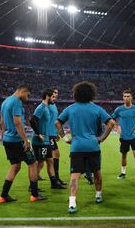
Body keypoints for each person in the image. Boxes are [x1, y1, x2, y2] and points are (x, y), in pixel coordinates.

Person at [55, 81, 115, 214]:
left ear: (76, 94)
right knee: (97, 173)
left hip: (76, 147)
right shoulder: (97, 108)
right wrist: (102, 138)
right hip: (93, 146)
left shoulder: (70, 109)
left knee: (75, 176)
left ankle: (72, 203)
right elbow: (111, 123)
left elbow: (57, 123)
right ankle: (98, 196)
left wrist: (65, 138)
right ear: (91, 94)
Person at [0, 84, 47, 203]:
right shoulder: (16, 102)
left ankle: (3, 196)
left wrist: (4, 136)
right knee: (33, 163)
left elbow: (1, 122)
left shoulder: (5, 101)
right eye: (28, 95)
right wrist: (25, 140)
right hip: (16, 140)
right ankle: (35, 194)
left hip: (8, 140)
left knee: (15, 166)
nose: (28, 98)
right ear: (23, 91)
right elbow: (18, 123)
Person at [112, 89, 135, 184]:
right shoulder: (119, 109)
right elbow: (111, 119)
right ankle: (123, 173)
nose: (126, 98)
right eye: (124, 96)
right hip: (123, 137)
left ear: (131, 97)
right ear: (122, 97)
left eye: (128, 96)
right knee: (124, 155)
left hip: (134, 136)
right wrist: (116, 127)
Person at [30, 89, 65, 190]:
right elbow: (32, 120)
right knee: (40, 162)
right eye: (52, 96)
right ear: (47, 96)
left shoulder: (46, 107)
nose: (54, 98)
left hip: (46, 140)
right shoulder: (41, 107)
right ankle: (32, 186)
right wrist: (38, 134)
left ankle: (54, 183)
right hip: (40, 141)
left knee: (50, 161)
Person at [48, 88, 67, 185]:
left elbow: (54, 122)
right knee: (52, 156)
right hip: (47, 135)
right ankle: (55, 179)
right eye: (54, 93)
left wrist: (56, 133)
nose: (56, 95)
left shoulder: (54, 106)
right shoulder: (46, 105)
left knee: (48, 159)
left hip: (52, 134)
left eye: (57, 93)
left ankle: (56, 179)